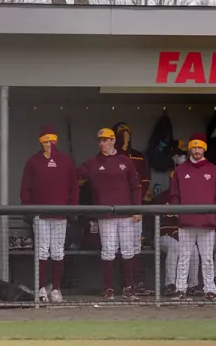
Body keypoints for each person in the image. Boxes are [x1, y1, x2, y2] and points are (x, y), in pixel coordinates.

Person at [77, 127, 142, 300]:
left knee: (128, 250)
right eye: (100, 140)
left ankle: (128, 288)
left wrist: (137, 209)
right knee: (108, 251)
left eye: (105, 140)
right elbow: (73, 175)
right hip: (105, 215)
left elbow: (135, 186)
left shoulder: (125, 161)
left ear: (113, 140)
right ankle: (108, 289)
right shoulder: (93, 162)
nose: (102, 143)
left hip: (126, 214)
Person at [20, 124, 78, 304]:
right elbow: (25, 188)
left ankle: (56, 289)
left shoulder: (66, 161)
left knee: (58, 252)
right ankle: (41, 288)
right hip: (40, 216)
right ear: (41, 142)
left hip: (60, 215)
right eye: (46, 142)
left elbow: (74, 187)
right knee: (42, 252)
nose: (49, 144)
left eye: (52, 141)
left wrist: (72, 209)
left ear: (56, 141)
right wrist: (29, 209)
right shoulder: (33, 161)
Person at [170, 133, 216, 301]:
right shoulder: (180, 170)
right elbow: (174, 195)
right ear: (189, 149)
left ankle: (210, 289)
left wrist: (215, 214)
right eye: (194, 147)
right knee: (184, 257)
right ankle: (181, 289)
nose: (197, 150)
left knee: (207, 258)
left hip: (207, 222)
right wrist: (178, 212)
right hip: (186, 222)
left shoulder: (213, 170)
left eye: (199, 147)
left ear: (204, 148)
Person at [113, 122, 151, 293]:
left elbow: (145, 181)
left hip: (135, 210)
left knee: (135, 246)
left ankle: (137, 282)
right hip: (116, 211)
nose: (125, 136)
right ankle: (121, 284)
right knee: (114, 248)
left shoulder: (138, 156)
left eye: (127, 132)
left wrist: (138, 205)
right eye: (121, 133)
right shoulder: (111, 157)